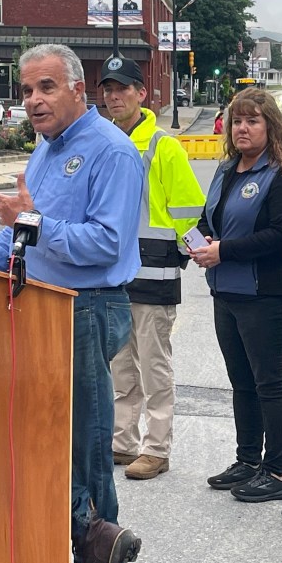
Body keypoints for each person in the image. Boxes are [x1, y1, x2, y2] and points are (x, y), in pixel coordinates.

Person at [0, 44, 144, 563]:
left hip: (88, 310)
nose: (33, 101)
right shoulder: (44, 150)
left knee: (86, 449)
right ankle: (75, 561)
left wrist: (31, 224)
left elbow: (105, 245)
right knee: (49, 446)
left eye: (45, 88)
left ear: (77, 89)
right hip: (40, 308)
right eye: (26, 91)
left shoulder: (112, 152)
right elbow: (17, 240)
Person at [190, 88, 282, 503]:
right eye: (237, 121)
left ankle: (277, 472)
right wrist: (203, 239)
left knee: (271, 384)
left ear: (270, 125)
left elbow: (281, 237)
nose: (242, 128)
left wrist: (224, 250)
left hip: (270, 295)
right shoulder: (226, 170)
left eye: (252, 120)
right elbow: (211, 219)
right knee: (242, 382)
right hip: (227, 293)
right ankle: (247, 459)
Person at [101, 55, 205, 481]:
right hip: (113, 276)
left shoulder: (163, 146)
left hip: (155, 274)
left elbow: (189, 208)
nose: (113, 97)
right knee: (120, 369)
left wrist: (189, 251)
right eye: (107, 89)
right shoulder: (104, 142)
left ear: (142, 94)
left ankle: (156, 449)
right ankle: (123, 442)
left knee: (154, 367)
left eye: (122, 88)